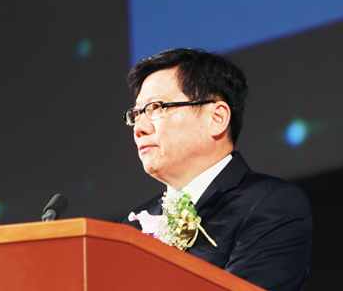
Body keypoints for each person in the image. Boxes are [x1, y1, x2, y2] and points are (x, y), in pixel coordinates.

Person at [119, 48, 312, 291]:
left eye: (156, 107)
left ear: (217, 118)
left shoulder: (271, 203)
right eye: (137, 113)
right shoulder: (132, 225)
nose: (139, 127)